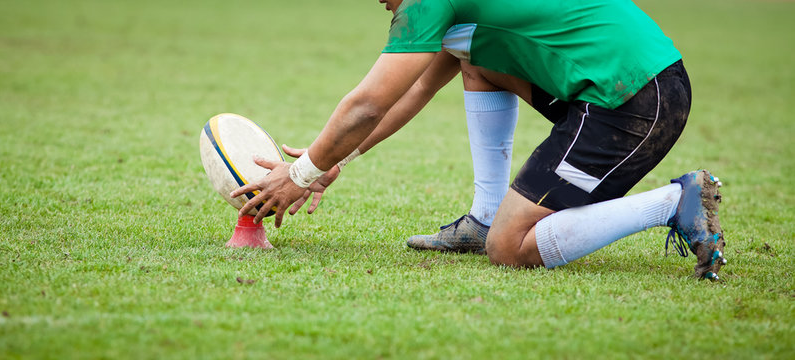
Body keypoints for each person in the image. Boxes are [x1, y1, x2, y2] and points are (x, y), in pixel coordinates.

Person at [231, 0, 727, 280]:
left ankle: (674, 201)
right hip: (626, 84)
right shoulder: (457, 9)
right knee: (479, 62)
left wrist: (303, 173)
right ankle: (484, 214)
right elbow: (418, 86)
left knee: (509, 248)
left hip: (634, 99)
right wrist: (341, 158)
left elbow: (368, 103)